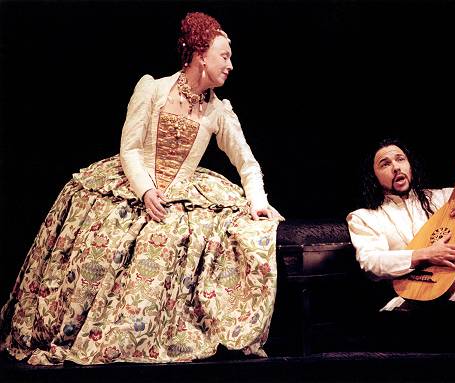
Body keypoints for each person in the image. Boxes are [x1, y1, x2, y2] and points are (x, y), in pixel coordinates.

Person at [0, 12, 282, 365]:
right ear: (199, 54)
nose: (230, 65)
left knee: (228, 232)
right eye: (224, 56)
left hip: (182, 193)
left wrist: (257, 201)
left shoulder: (218, 112)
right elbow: (130, 148)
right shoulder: (153, 90)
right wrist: (146, 191)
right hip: (133, 186)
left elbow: (247, 163)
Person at [346, 138, 455, 350]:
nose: (396, 167)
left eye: (400, 159)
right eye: (385, 163)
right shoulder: (365, 217)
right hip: (412, 302)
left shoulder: (447, 198)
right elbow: (372, 263)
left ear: (410, 165)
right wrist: (425, 254)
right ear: (373, 176)